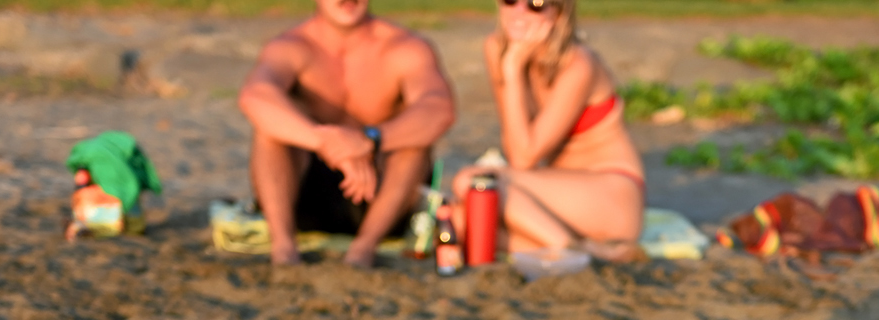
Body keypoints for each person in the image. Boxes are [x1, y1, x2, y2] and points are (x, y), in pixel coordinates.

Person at [238, 0, 456, 267]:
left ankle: (363, 249)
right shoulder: (291, 47)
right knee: (271, 128)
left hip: (381, 194)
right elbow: (255, 96)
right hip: (306, 192)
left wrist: (370, 140)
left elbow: (439, 109)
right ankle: (283, 248)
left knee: (416, 140)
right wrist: (326, 142)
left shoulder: (405, 48)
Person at [453, 0, 644, 255]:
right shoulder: (496, 48)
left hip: (611, 195)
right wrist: (513, 64)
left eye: (536, 4)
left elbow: (523, 159)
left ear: (559, 12)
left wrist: (512, 69)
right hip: (557, 192)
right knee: (459, 220)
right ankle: (592, 251)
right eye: (510, 0)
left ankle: (568, 248)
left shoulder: (578, 64)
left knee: (471, 182)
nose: (519, 11)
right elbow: (515, 145)